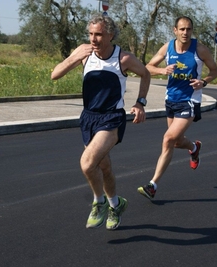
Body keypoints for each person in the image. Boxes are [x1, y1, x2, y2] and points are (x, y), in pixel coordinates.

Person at [51, 14, 150, 230]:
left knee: (88, 163)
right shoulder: (84, 54)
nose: (93, 39)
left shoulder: (123, 59)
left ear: (110, 35)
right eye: (91, 34)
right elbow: (55, 75)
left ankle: (99, 202)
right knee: (104, 167)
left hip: (111, 118)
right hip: (89, 118)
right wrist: (74, 56)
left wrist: (140, 103)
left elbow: (145, 73)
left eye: (99, 34)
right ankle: (116, 204)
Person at [137, 16, 217, 200]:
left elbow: (215, 71)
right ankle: (194, 148)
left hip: (189, 100)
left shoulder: (200, 49)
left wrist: (203, 82)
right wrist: (162, 70)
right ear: (175, 30)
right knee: (175, 141)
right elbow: (147, 67)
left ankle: (153, 185)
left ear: (192, 30)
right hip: (171, 99)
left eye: (188, 29)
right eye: (182, 29)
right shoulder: (168, 47)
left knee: (167, 139)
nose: (185, 33)